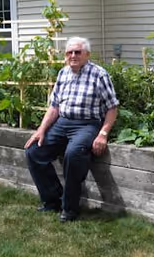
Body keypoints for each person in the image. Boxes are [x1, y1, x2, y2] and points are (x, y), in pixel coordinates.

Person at [24, 36, 119, 222]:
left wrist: (103, 133)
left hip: (87, 124)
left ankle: (70, 209)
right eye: (69, 52)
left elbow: (112, 107)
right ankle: (53, 201)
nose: (73, 55)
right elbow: (54, 107)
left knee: (73, 154)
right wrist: (41, 130)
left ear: (87, 54)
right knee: (33, 151)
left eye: (78, 52)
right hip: (62, 123)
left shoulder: (99, 74)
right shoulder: (63, 73)